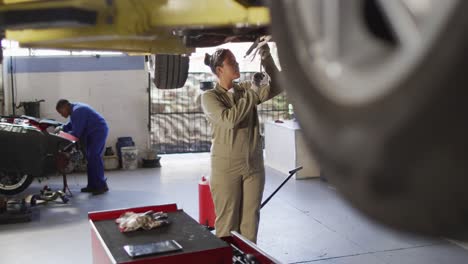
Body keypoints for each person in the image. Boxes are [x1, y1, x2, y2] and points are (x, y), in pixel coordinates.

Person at [201, 44, 282, 243]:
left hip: (254, 165)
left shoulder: (245, 89)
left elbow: (278, 85)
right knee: (228, 222)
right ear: (220, 70)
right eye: (232, 63)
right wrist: (253, 93)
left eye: (237, 62)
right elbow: (229, 120)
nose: (237, 65)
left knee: (250, 222)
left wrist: (266, 57)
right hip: (226, 167)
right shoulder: (210, 97)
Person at [55, 99, 109, 195]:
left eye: (61, 112)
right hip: (92, 132)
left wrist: (62, 134)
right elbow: (72, 124)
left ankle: (102, 186)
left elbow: (76, 133)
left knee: (94, 156)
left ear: (65, 107)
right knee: (90, 157)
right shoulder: (74, 110)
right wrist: (62, 128)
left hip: (98, 131)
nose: (61, 115)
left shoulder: (78, 111)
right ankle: (92, 185)